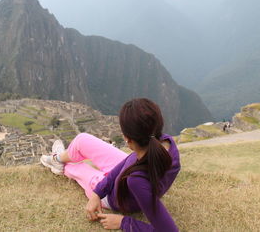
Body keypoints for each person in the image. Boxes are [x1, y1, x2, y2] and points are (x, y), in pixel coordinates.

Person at [40, 98, 180, 231]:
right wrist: (97, 193)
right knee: (82, 140)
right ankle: (57, 158)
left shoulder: (137, 180)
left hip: (114, 198)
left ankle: (60, 165)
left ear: (128, 140)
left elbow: (169, 230)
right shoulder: (164, 141)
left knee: (78, 168)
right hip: (123, 179)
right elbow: (127, 162)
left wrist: (123, 222)